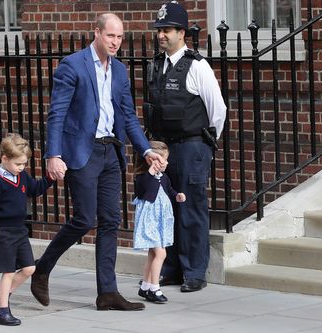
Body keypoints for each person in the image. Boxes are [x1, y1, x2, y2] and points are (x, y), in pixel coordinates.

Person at [30, 13, 165, 311]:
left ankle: (107, 292)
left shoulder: (119, 71)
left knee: (110, 222)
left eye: (119, 37)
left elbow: (128, 116)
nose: (116, 42)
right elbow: (58, 114)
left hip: (110, 152)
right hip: (83, 151)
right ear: (97, 33)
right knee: (83, 219)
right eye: (110, 36)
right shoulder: (73, 65)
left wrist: (145, 151)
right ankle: (42, 268)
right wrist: (53, 155)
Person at [146, 1, 227, 293]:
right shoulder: (156, 65)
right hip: (164, 149)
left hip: (192, 146)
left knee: (191, 207)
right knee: (166, 208)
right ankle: (171, 269)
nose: (161, 35)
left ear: (182, 33)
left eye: (166, 30)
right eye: (159, 30)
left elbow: (217, 109)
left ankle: (194, 271)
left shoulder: (197, 65)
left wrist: (207, 144)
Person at [0, 133, 53, 326]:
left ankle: (3, 294)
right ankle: (2, 312)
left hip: (20, 230)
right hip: (3, 232)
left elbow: (35, 189)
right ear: (4, 159)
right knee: (8, 272)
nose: (21, 168)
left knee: (29, 268)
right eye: (18, 164)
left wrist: (51, 177)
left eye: (24, 164)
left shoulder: (21, 177)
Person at [133, 140, 186, 304]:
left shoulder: (163, 177)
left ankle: (146, 287)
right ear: (152, 159)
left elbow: (168, 189)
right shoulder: (143, 177)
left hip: (160, 220)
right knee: (161, 253)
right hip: (151, 220)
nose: (167, 162)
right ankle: (154, 288)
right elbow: (144, 191)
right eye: (164, 159)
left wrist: (177, 195)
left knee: (153, 253)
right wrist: (150, 173)